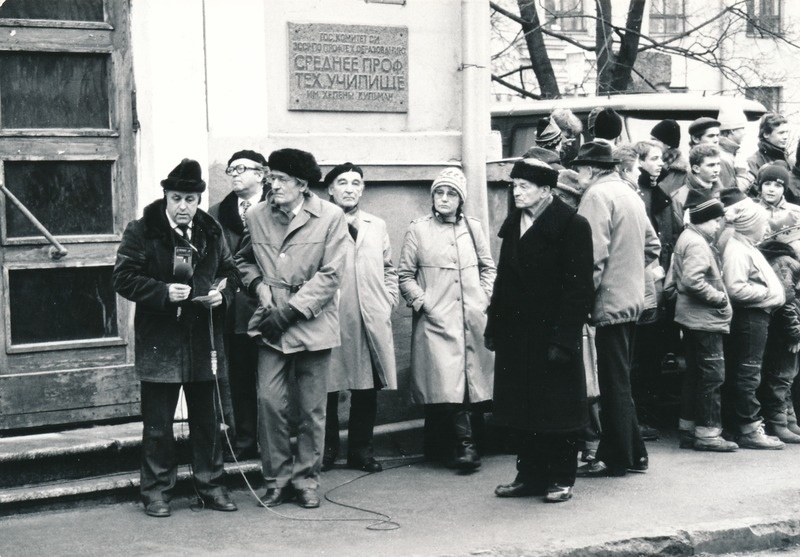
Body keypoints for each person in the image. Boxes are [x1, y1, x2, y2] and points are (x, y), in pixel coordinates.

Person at [112, 158, 238, 517]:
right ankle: (156, 491)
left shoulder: (210, 230)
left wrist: (222, 295)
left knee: (207, 421)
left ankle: (211, 486)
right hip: (161, 343)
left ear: (199, 200)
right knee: (157, 425)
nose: (184, 207)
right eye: (178, 199)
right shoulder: (142, 230)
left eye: (191, 200)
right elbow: (122, 278)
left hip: (204, 340)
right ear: (166, 196)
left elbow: (231, 273)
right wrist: (162, 292)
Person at [235, 148, 348, 509]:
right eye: (271, 178)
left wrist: (292, 311)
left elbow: (332, 274)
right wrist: (257, 286)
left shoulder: (331, 216)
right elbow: (242, 260)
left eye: (281, 179)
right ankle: (276, 479)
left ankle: (306, 480)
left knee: (312, 409)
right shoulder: (256, 215)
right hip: (270, 324)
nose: (273, 184)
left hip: (312, 324)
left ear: (301, 184)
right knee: (269, 402)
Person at [487, 158, 593, 503]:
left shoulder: (573, 226)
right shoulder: (515, 222)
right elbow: (503, 279)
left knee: (557, 410)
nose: (516, 192)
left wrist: (563, 339)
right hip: (517, 333)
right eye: (514, 186)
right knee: (523, 406)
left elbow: (579, 290)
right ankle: (529, 475)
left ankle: (561, 477)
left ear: (546, 191)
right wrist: (494, 324)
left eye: (524, 187)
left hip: (551, 334)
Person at [398, 167, 496, 472]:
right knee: (445, 381)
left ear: (460, 200)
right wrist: (424, 302)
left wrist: (483, 297)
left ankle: (466, 443)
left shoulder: (474, 228)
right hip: (436, 320)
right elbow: (404, 275)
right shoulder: (418, 229)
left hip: (472, 318)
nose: (443, 198)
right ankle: (463, 446)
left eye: (451, 193)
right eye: (439, 192)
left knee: (469, 382)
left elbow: (488, 267)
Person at [573, 142, 658, 478]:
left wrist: (581, 298)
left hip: (608, 302)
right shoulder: (628, 192)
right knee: (620, 378)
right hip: (631, 299)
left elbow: (590, 256)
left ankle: (618, 456)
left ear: (591, 169)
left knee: (612, 382)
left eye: (580, 168)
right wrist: (629, 274)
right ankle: (634, 453)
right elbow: (652, 245)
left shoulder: (596, 196)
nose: (578, 175)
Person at [322, 163, 399, 473]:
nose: (350, 188)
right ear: (330, 189)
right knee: (326, 387)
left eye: (356, 183)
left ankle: (361, 451)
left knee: (365, 388)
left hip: (369, 317)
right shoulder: (319, 223)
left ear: (363, 189)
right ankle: (326, 451)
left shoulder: (376, 225)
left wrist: (388, 300)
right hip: (331, 316)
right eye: (342, 182)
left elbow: (389, 268)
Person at [208, 149, 269, 462]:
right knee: (241, 378)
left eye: (241, 168)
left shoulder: (278, 206)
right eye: (230, 169)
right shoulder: (217, 212)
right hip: (235, 309)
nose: (233, 173)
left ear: (261, 174)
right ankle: (245, 440)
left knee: (276, 378)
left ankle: (275, 442)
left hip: (272, 305)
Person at [671, 190, 737, 452]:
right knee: (712, 376)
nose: (718, 225)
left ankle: (689, 429)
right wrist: (719, 299)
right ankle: (709, 434)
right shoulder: (698, 243)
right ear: (704, 220)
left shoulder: (688, 237)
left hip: (691, 319)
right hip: (705, 320)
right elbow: (692, 281)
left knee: (694, 376)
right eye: (715, 221)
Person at [720, 190, 786, 449]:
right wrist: (769, 293)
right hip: (750, 318)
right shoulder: (737, 249)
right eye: (763, 224)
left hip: (756, 317)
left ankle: (744, 425)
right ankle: (748, 428)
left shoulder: (745, 245)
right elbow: (735, 288)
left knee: (747, 371)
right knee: (748, 373)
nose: (766, 227)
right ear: (751, 226)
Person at [758, 234, 800, 443]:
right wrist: (794, 333)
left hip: (778, 327)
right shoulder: (787, 264)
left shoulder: (781, 261)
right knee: (783, 374)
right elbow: (788, 301)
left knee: (785, 375)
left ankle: (786, 419)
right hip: (783, 330)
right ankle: (779, 422)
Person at [672, 144, 724, 224]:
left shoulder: (722, 192)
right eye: (711, 165)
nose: (717, 169)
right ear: (696, 169)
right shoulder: (679, 198)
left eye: (718, 164)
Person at [745, 112, 791, 194]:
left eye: (787, 132)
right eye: (781, 133)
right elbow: (755, 192)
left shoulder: (789, 160)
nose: (785, 137)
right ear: (766, 134)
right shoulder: (753, 162)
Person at [650, 119, 688, 197]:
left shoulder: (684, 172)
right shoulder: (646, 164)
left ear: (668, 144)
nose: (650, 143)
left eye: (654, 140)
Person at [717, 106, 751, 193]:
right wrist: (742, 173)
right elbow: (731, 194)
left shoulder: (729, 153)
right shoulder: (723, 158)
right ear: (732, 130)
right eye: (742, 128)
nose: (745, 133)